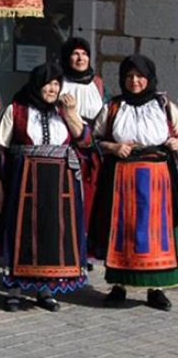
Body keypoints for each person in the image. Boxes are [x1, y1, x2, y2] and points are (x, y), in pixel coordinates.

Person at [0, 63, 89, 312]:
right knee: (21, 231)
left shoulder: (63, 111)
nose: (53, 88)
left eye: (57, 84)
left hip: (59, 185)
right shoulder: (17, 110)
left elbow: (85, 140)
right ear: (37, 84)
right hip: (24, 181)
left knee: (51, 233)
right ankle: (14, 286)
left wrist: (71, 114)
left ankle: (45, 288)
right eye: (48, 83)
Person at [89, 55, 178, 311]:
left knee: (155, 232)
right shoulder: (113, 107)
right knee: (123, 230)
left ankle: (156, 290)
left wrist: (176, 143)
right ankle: (118, 286)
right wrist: (113, 147)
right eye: (129, 76)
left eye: (139, 76)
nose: (135, 81)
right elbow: (92, 140)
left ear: (149, 78)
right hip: (122, 178)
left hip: (157, 179)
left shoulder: (164, 106)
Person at [59, 37, 107, 231]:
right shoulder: (58, 80)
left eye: (85, 54)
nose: (81, 58)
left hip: (90, 147)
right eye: (75, 54)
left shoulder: (97, 83)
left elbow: (105, 112)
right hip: (65, 144)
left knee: (89, 199)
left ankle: (85, 244)